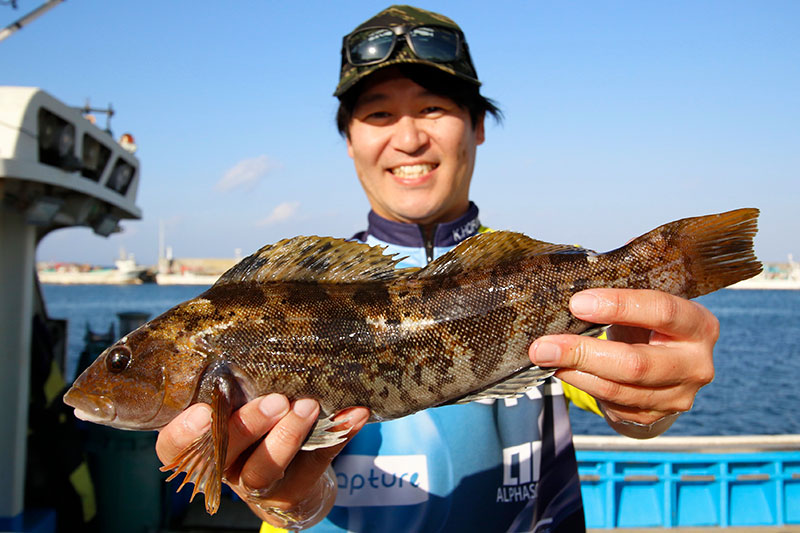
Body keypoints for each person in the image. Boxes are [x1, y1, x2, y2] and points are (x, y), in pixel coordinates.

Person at [156, 6, 718, 532]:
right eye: (379, 114)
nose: (408, 139)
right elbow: (293, 502)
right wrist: (286, 500)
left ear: (477, 125)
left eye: (433, 108)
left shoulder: (534, 280)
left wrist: (646, 400)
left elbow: (629, 397)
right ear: (349, 140)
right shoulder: (297, 294)